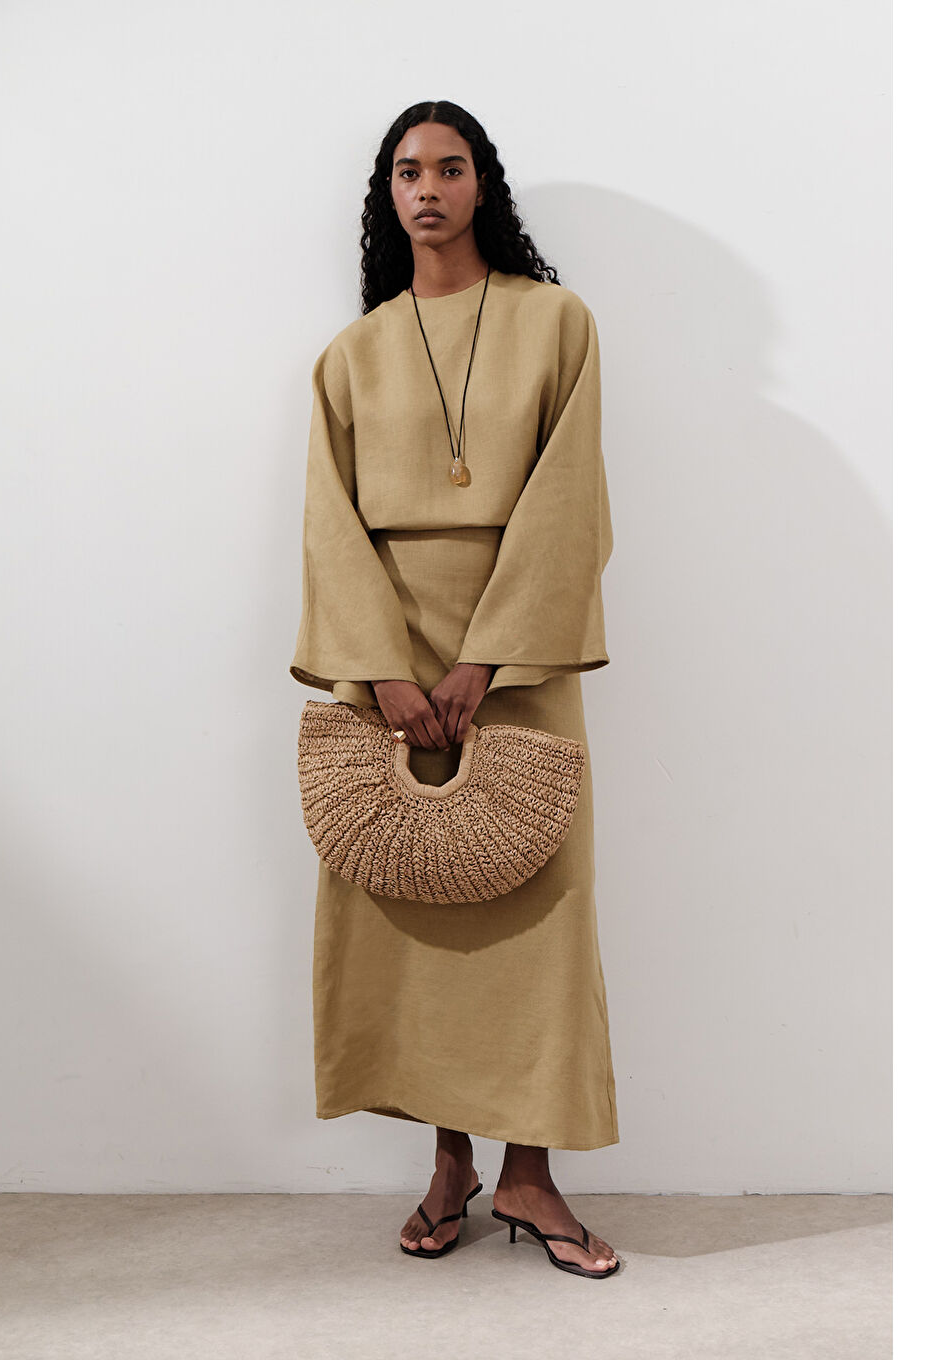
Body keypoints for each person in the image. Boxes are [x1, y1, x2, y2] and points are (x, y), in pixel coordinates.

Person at [290, 100, 621, 1278]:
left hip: (519, 655)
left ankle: (531, 1172)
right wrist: (383, 670)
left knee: (538, 913)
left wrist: (488, 658)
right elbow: (329, 523)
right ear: (387, 194)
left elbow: (567, 497)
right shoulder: (353, 351)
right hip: (388, 655)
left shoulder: (556, 322)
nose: (427, 188)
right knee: (411, 912)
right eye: (407, 171)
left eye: (450, 167)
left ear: (485, 184)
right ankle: (451, 1163)